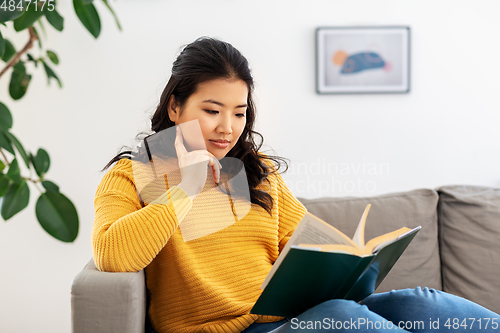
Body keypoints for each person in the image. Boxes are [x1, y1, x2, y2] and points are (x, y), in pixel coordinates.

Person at [92, 37, 500, 333]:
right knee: (342, 318)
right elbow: (114, 256)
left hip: (293, 316)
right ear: (175, 105)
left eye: (238, 113)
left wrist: (354, 260)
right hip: (228, 330)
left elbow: (307, 242)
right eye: (212, 110)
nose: (227, 128)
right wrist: (186, 188)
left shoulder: (255, 171)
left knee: (421, 303)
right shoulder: (132, 175)